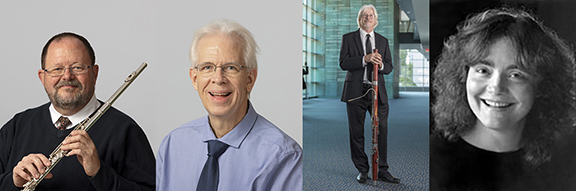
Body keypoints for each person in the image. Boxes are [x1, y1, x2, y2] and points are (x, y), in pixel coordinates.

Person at [431, 8, 576, 190]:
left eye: (516, 74)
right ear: (463, 76)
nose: (496, 87)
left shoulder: (567, 162)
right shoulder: (424, 162)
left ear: (542, 86)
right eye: (483, 70)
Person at [156, 19, 302, 191]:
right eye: (207, 67)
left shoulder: (283, 156)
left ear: (249, 79)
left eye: (231, 68)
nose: (218, 79)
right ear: (194, 79)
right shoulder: (172, 145)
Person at [0, 32, 155, 191]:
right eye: (57, 68)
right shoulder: (16, 127)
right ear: (42, 77)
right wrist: (13, 182)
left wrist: (100, 173)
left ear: (94, 73)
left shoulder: (125, 131)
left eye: (77, 67)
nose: (67, 76)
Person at [339, 4, 398, 184]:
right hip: (356, 92)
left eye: (371, 15)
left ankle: (382, 170)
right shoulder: (348, 38)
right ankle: (363, 169)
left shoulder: (383, 40)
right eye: (364, 15)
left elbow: (388, 67)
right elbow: (343, 63)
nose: (368, 17)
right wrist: (365, 59)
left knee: (381, 131)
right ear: (360, 19)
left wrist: (379, 65)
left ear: (376, 19)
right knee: (356, 132)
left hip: (377, 93)